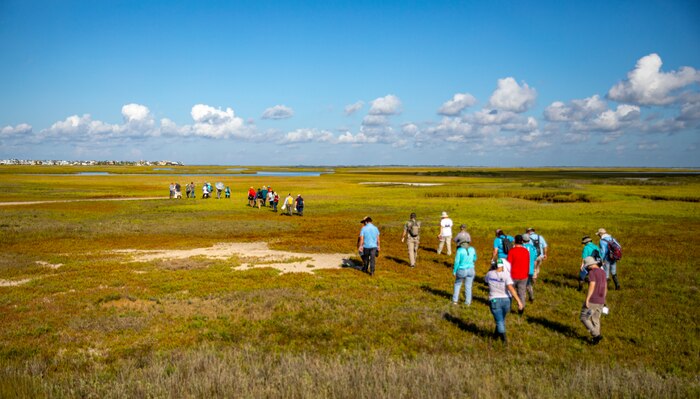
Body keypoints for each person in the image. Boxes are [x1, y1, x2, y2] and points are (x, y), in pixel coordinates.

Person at [485, 258, 525, 344]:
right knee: (501, 319)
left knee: (499, 321)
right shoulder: (506, 275)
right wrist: (519, 301)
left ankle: (504, 340)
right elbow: (511, 289)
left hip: (494, 300)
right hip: (506, 300)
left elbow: (486, 281)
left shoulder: (489, 274)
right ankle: (495, 336)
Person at [579, 256, 607, 344]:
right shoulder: (602, 272)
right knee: (596, 318)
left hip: (593, 300)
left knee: (584, 317)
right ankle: (596, 339)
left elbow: (592, 285)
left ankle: (596, 335)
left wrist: (587, 299)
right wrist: (604, 299)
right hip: (601, 300)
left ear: (589, 265)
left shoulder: (592, 272)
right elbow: (605, 286)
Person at [506, 234, 530, 312]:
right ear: (522, 241)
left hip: (513, 275)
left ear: (515, 241)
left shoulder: (512, 251)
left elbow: (508, 263)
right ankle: (521, 308)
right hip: (524, 275)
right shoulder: (526, 251)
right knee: (521, 293)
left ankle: (508, 307)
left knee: (510, 292)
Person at [452, 237, 477, 305]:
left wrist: (454, 271)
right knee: (468, 286)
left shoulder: (459, 250)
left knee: (457, 284)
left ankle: (455, 301)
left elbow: (457, 262)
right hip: (471, 269)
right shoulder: (472, 249)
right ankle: (467, 302)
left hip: (461, 269)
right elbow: (475, 258)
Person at [522, 233, 538, 302]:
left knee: (522, 285)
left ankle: (523, 299)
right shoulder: (533, 248)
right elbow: (535, 258)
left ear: (522, 240)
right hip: (530, 269)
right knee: (528, 283)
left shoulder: (521, 247)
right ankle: (531, 296)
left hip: (522, 269)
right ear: (529, 240)